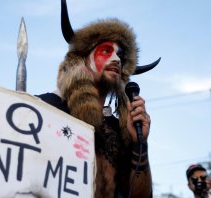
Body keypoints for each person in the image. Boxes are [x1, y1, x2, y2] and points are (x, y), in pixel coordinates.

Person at [36, 0, 160, 197]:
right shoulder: (44, 109)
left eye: (119, 55)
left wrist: (140, 144)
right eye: (106, 51)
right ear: (82, 60)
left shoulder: (122, 130)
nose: (117, 60)